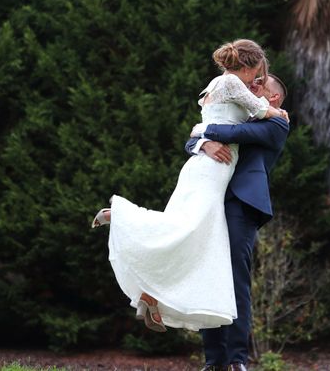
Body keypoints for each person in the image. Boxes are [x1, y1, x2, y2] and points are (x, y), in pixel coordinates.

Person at [90, 39, 288, 334]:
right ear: (248, 67)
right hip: (211, 170)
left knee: (190, 238)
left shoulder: (225, 89)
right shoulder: (232, 83)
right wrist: (276, 111)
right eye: (257, 75)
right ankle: (122, 216)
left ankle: (152, 294)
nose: (256, 83)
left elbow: (212, 125)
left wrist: (203, 136)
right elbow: (256, 113)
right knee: (188, 230)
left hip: (208, 169)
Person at [187, 73, 290, 371]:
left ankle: (236, 361)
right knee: (209, 277)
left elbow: (234, 134)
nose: (251, 87)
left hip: (240, 204)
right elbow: (191, 142)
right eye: (251, 83)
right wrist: (203, 144)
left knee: (235, 280)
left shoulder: (276, 122)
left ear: (274, 99)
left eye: (260, 85)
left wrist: (203, 130)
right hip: (209, 199)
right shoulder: (238, 113)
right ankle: (213, 361)